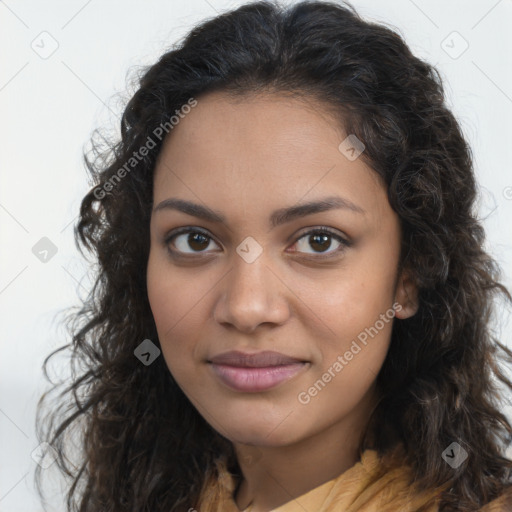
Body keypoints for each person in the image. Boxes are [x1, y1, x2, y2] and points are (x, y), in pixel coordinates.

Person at [36, 1, 512, 510]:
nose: (246, 307)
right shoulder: (141, 494)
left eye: (318, 241)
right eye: (195, 240)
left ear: (409, 275)